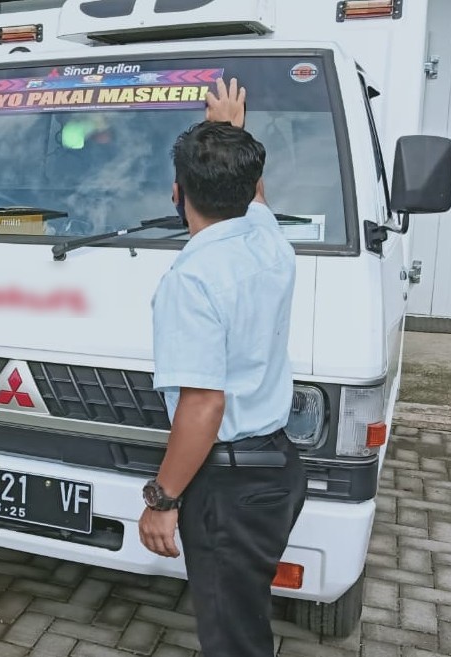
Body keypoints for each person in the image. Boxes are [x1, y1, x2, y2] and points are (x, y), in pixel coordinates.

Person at [137, 79, 307, 657]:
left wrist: (162, 500)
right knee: (243, 616)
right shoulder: (268, 242)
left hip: (228, 488)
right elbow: (253, 195)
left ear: (176, 192)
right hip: (277, 469)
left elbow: (204, 405)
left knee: (232, 638)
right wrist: (232, 134)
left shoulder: (193, 279)